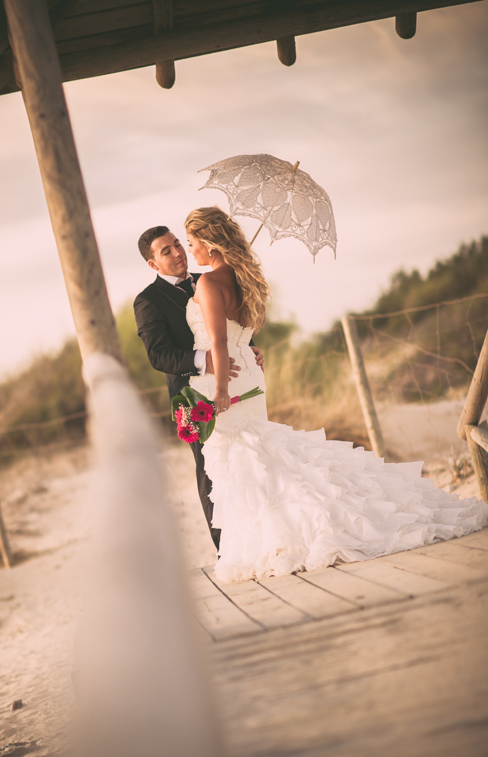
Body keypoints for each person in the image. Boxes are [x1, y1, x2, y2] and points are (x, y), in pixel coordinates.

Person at [183, 206, 488, 583]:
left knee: (247, 458)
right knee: (258, 455)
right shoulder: (245, 280)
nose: (190, 251)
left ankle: (284, 535)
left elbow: (218, 341)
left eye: (192, 243)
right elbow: (240, 335)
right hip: (249, 372)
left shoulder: (208, 284)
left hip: (228, 379)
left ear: (211, 245)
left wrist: (222, 393)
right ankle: (270, 537)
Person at [133, 225, 264, 550]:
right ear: (153, 264)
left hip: (236, 385)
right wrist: (205, 360)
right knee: (211, 471)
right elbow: (158, 355)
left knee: (249, 458)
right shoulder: (148, 301)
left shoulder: (209, 279)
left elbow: (230, 323)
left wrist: (249, 347)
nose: (178, 252)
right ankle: (226, 548)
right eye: (167, 251)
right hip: (193, 397)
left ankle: (259, 535)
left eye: (178, 244)